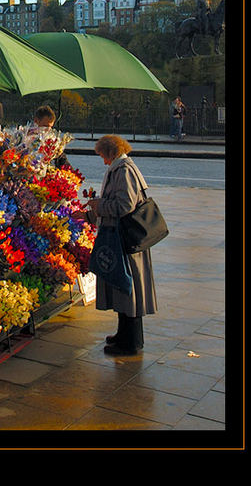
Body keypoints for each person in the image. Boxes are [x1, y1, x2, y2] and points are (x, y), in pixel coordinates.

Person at [86, 135, 158, 356]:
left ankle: (131, 342)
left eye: (103, 157)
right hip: (123, 237)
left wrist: (99, 205)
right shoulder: (122, 168)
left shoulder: (123, 170)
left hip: (126, 240)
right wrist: (91, 214)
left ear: (111, 153)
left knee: (130, 288)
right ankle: (124, 333)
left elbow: (124, 205)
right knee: (124, 288)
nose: (103, 162)